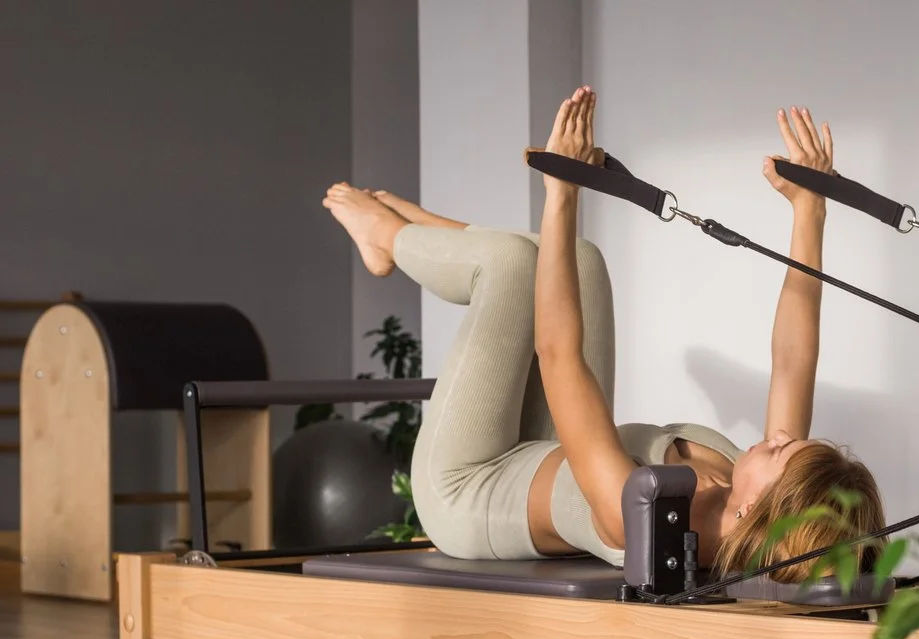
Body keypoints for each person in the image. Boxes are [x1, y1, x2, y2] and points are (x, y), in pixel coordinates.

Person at [322, 86, 886, 583]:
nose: (780, 436)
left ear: (754, 512)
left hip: (469, 485)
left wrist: (562, 190)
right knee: (583, 261)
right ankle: (427, 235)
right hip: (537, 448)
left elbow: (558, 355)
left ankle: (388, 237)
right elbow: (792, 358)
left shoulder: (640, 517)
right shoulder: (757, 486)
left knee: (511, 263)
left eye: (783, 449)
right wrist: (810, 210)